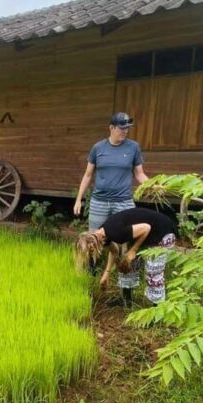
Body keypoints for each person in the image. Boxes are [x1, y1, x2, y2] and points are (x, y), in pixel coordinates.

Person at [74, 112, 150, 301]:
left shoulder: (133, 148)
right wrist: (79, 199)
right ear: (111, 128)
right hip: (99, 202)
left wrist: (152, 186)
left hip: (123, 202)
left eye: (127, 129)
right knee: (93, 241)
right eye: (121, 128)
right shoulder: (98, 148)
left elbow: (139, 174)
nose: (125, 132)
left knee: (125, 244)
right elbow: (88, 175)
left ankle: (126, 291)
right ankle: (90, 280)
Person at [75, 207, 176, 305]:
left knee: (153, 271)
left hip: (162, 233)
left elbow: (146, 228)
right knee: (125, 263)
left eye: (91, 251)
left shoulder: (116, 232)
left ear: (92, 243)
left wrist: (133, 250)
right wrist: (106, 274)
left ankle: (157, 308)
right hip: (145, 235)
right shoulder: (102, 235)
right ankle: (127, 301)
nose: (91, 253)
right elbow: (114, 252)